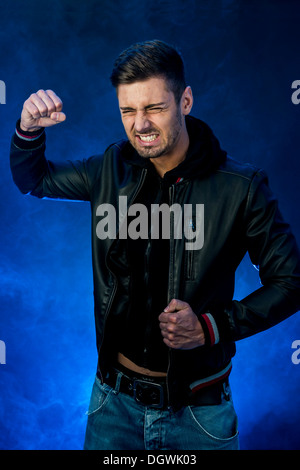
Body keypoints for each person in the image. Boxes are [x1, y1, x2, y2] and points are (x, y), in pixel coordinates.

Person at [10, 40, 300, 451]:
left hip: (200, 415)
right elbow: (33, 179)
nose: (140, 124)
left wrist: (209, 327)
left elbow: (290, 281)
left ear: (185, 100)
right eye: (128, 110)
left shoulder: (242, 188)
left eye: (154, 108)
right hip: (112, 404)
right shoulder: (109, 168)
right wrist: (29, 128)